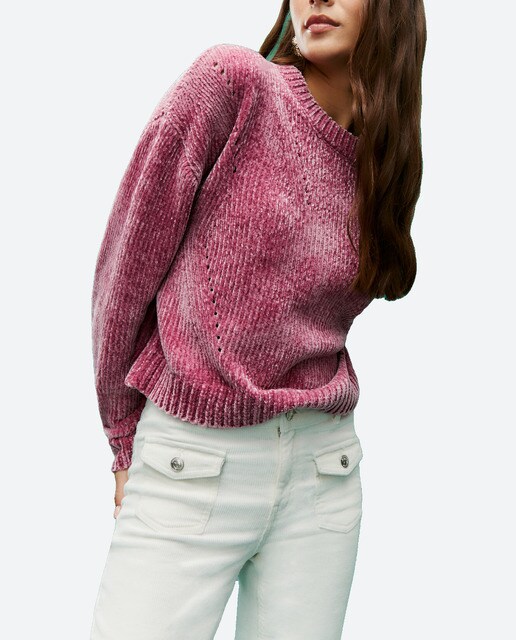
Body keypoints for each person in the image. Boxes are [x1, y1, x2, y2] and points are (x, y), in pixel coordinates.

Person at [89, 0, 426, 638]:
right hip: (193, 460)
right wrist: (122, 436)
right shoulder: (232, 85)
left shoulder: (385, 157)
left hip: (325, 473)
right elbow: (122, 273)